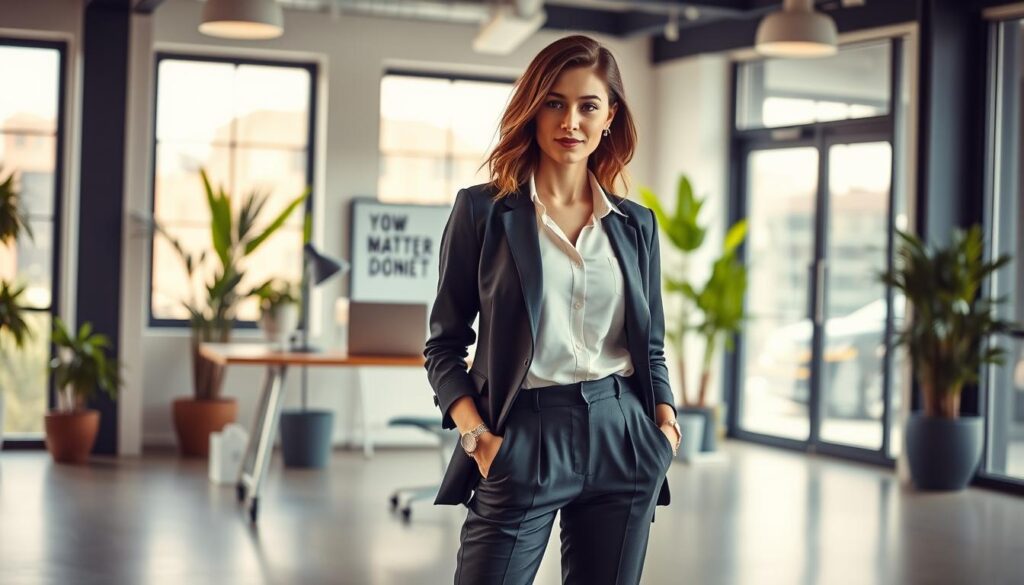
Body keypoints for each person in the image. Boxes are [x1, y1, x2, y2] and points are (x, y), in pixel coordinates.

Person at [423, 34, 682, 585]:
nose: (571, 121)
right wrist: (476, 438)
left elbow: (650, 343)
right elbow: (444, 343)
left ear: (610, 116)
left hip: (624, 435)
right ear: (532, 109)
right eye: (555, 102)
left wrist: (665, 425)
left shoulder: (637, 226)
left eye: (589, 106)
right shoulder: (484, 212)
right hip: (523, 435)